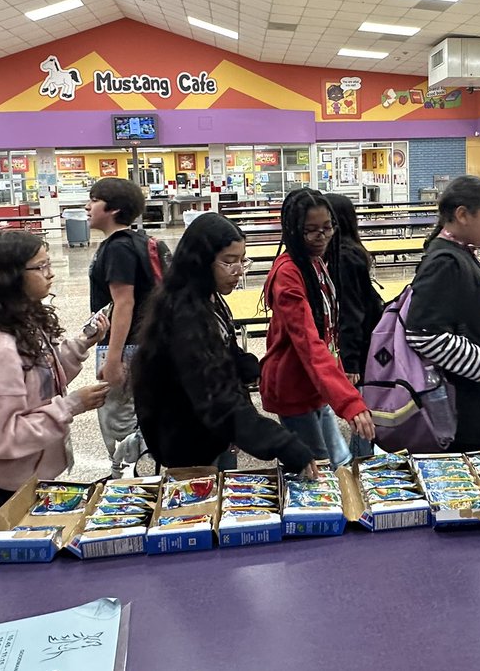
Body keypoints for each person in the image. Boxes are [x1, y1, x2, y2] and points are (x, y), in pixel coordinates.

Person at [0, 231, 110, 508]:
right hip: (14, 480)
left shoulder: (21, 321)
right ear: (8, 276)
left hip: (36, 467)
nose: (50, 274)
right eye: (41, 267)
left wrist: (82, 343)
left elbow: (40, 379)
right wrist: (72, 405)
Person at [134, 213, 318, 476]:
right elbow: (215, 399)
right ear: (200, 262)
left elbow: (222, 346)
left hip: (213, 434)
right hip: (187, 442)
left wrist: (248, 365)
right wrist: (281, 442)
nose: (239, 271)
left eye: (242, 261)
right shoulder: (183, 316)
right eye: (229, 262)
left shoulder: (207, 297)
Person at [405, 175, 480, 453]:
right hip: (456, 405)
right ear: (462, 215)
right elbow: (423, 334)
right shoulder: (445, 262)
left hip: (470, 393)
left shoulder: (459, 254)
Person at [259, 189, 375, 468]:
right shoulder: (288, 273)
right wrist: (349, 402)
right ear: (293, 230)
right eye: (310, 230)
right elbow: (309, 343)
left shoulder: (315, 262)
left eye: (327, 228)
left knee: (340, 461)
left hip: (316, 383)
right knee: (315, 469)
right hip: (294, 386)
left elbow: (328, 333)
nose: (321, 236)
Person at [86, 177, 154, 476]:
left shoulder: (118, 248)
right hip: (141, 342)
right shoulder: (139, 240)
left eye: (93, 200)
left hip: (124, 346)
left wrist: (113, 359)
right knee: (136, 418)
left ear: (112, 209)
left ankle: (125, 482)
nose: (87, 207)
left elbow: (123, 303)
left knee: (120, 422)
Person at [324, 193, 385, 459]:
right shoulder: (350, 252)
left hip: (361, 345)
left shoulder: (344, 257)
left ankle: (361, 465)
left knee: (360, 407)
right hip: (367, 338)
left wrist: (350, 363)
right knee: (361, 406)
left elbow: (351, 312)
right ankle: (361, 458)